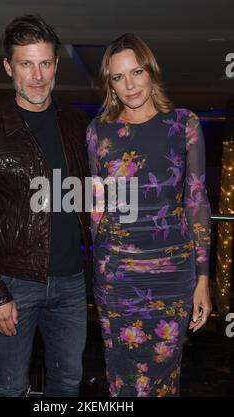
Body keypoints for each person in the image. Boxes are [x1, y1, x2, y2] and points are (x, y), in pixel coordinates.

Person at [0, 14, 92, 397]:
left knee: (68, 381)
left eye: (45, 63)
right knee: (10, 384)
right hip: (15, 284)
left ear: (56, 67)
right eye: (26, 63)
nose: (37, 75)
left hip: (71, 281)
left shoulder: (79, 124)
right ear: (8, 67)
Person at [86, 33, 212, 397]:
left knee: (162, 375)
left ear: (151, 71)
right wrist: (100, 268)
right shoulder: (99, 132)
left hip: (172, 275)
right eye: (118, 77)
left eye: (136, 72)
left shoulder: (183, 125)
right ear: (109, 84)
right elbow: (97, 207)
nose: (129, 85)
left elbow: (197, 202)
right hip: (117, 275)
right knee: (122, 376)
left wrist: (202, 279)